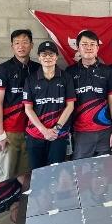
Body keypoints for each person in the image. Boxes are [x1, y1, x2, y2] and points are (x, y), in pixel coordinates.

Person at [0, 29, 41, 186]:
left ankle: (21, 210)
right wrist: (0, 134)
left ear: (32, 45)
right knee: (5, 176)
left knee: (27, 175)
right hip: (9, 132)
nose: (21, 46)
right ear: (12, 46)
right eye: (17, 43)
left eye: (25, 42)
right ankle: (2, 211)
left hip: (32, 131)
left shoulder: (38, 68)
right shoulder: (3, 69)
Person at [68, 29, 112, 158]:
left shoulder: (107, 72)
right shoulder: (69, 72)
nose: (89, 48)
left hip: (105, 132)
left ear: (97, 48)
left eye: (92, 44)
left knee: (106, 174)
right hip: (81, 133)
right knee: (82, 174)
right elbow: (68, 105)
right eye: (84, 44)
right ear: (78, 48)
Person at [23, 40, 75, 171]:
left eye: (51, 54)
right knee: (37, 174)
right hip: (35, 135)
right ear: (39, 57)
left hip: (58, 135)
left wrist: (56, 130)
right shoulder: (30, 79)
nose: (47, 57)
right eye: (44, 55)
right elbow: (28, 109)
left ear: (56, 57)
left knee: (55, 173)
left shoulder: (66, 77)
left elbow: (70, 106)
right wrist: (44, 131)